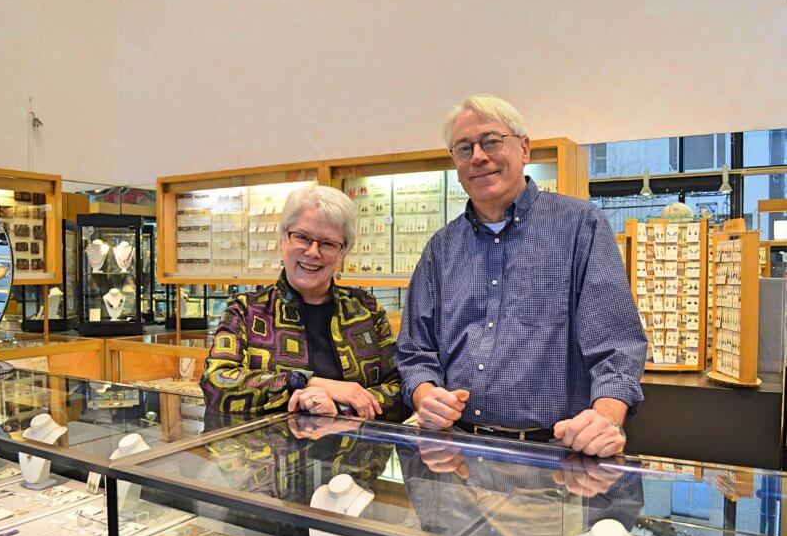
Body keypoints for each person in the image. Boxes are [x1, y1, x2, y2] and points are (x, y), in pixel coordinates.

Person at [397, 94, 647, 458]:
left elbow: (617, 344)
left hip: (550, 463)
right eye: (464, 148)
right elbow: (414, 351)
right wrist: (426, 394)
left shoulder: (579, 227)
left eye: (492, 141)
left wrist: (606, 419)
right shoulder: (441, 248)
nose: (478, 157)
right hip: (454, 456)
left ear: (524, 149)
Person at [201, 185, 407, 422]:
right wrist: (307, 382)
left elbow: (400, 391)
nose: (313, 252)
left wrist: (340, 410)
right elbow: (216, 385)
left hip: (354, 454)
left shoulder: (366, 311)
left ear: (343, 253)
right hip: (270, 457)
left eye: (328, 243)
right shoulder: (246, 310)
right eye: (302, 237)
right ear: (282, 240)